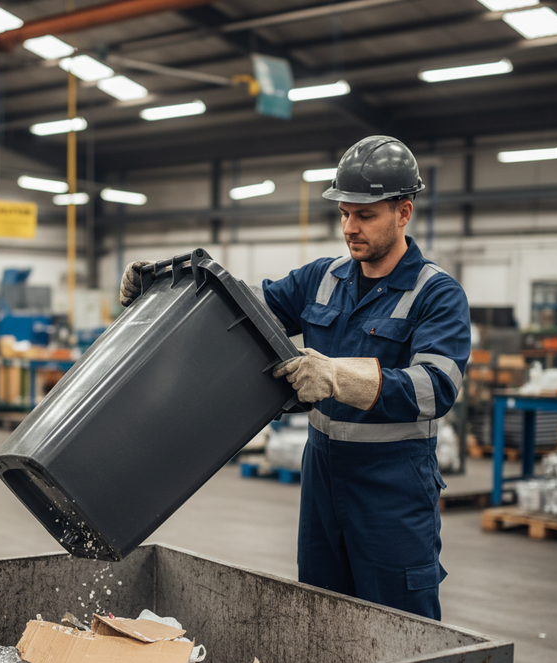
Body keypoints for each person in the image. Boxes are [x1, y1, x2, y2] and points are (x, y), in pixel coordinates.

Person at [119, 135, 470, 620]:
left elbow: (437, 386)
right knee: (321, 612)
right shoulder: (321, 279)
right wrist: (160, 295)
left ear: (403, 212)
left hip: (393, 489)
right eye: (344, 213)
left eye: (365, 215)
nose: (350, 227)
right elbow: (235, 315)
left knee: (400, 621)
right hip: (324, 479)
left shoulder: (437, 294)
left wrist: (335, 377)